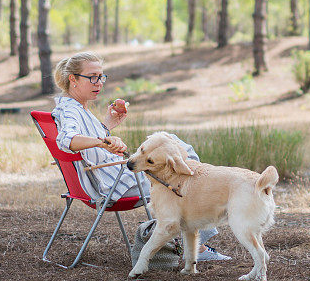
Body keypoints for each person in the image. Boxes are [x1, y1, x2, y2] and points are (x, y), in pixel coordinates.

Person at [51, 51, 230, 261]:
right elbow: (67, 139)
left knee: (171, 144)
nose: (99, 83)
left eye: (101, 77)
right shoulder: (69, 110)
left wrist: (107, 125)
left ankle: (190, 239)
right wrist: (103, 141)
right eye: (92, 77)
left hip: (114, 175)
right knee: (184, 172)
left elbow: (89, 143)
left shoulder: (77, 107)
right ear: (73, 79)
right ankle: (195, 248)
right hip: (114, 182)